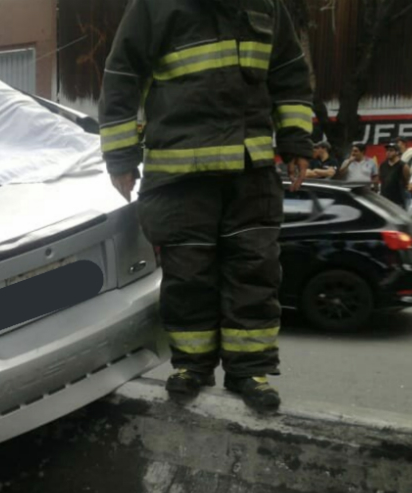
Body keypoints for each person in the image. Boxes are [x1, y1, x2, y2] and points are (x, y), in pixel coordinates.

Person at [99, 0, 313, 412]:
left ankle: (250, 370)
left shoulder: (267, 6)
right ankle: (192, 367)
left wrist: (295, 140)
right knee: (188, 276)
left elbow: (289, 73)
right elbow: (121, 76)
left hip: (249, 174)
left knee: (255, 270)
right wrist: (121, 158)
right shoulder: (154, 7)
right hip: (181, 175)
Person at [378, 142, 411, 208]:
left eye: (391, 150)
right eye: (387, 150)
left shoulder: (403, 166)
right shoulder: (383, 165)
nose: (388, 152)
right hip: (384, 199)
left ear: (397, 152)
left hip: (398, 201)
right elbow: (381, 179)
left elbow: (407, 181)